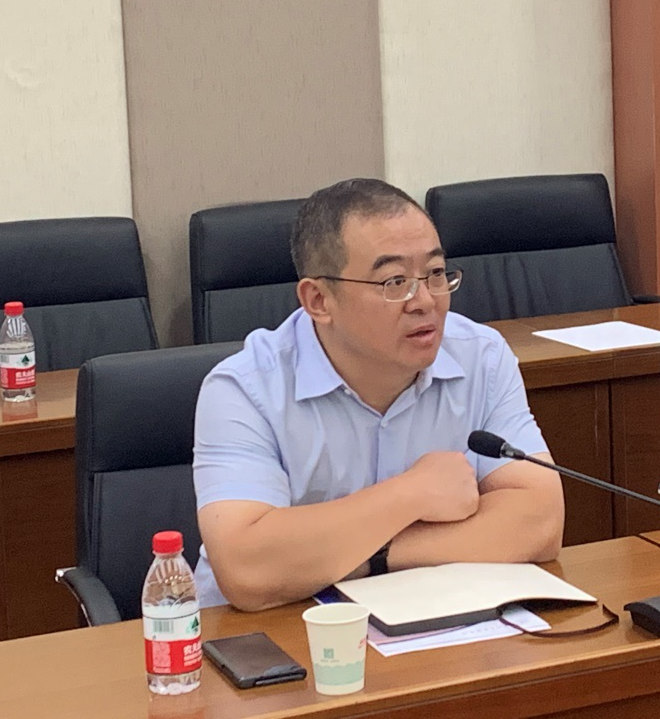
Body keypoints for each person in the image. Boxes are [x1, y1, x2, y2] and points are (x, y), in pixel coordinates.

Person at [192, 178, 564, 611]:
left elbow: (540, 520)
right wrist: (412, 493)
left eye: (436, 273)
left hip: (433, 619)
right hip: (276, 632)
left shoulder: (481, 357)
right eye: (394, 281)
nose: (425, 301)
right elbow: (247, 569)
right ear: (318, 300)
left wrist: (376, 554)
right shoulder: (244, 390)